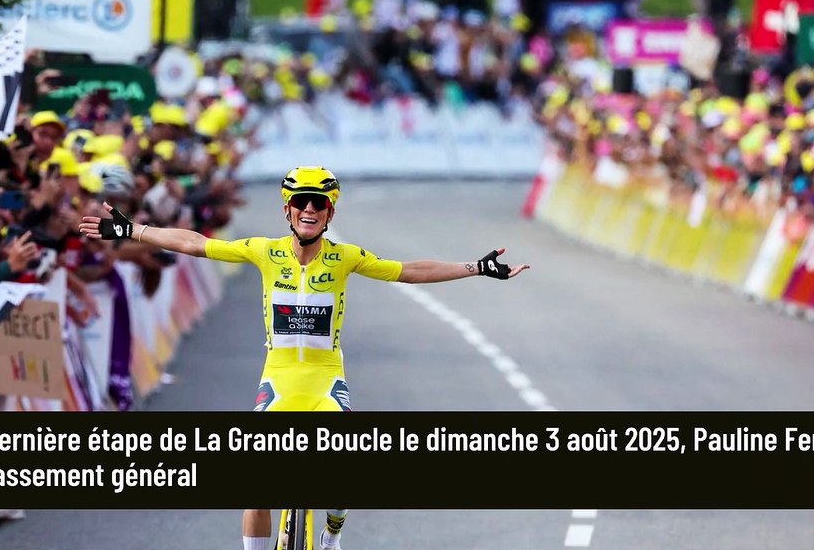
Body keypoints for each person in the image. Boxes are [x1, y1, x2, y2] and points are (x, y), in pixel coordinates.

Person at [80, 166, 530, 550]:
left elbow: (409, 271)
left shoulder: (345, 257)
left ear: (330, 212)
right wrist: (134, 231)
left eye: (319, 204)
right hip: (278, 379)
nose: (310, 210)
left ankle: (331, 535)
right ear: (288, 210)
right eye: (301, 203)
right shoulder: (264, 251)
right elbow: (195, 243)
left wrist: (474, 267)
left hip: (324, 381)